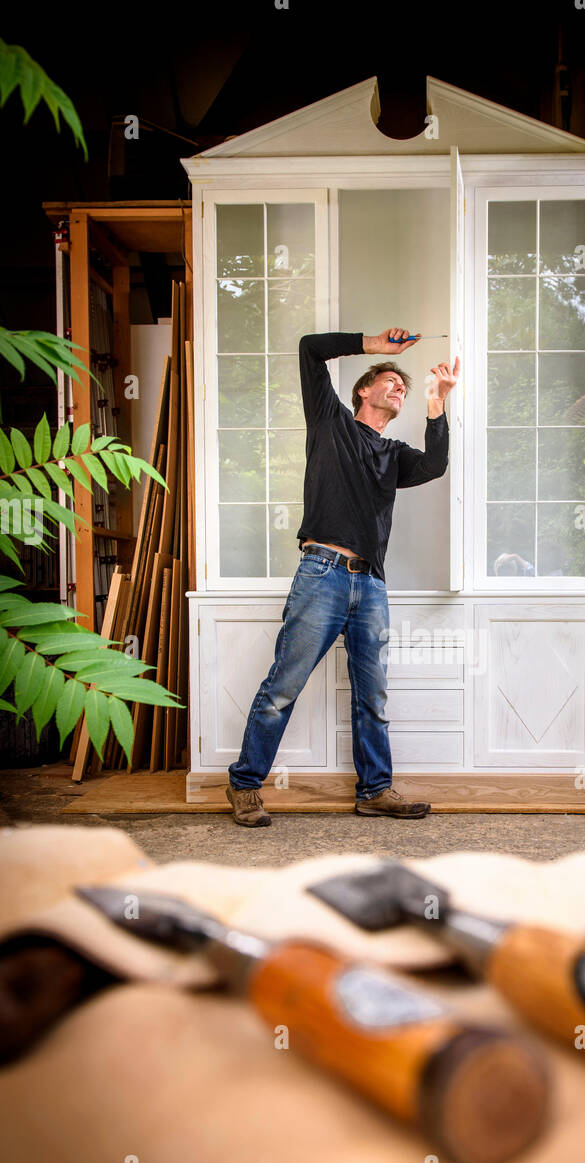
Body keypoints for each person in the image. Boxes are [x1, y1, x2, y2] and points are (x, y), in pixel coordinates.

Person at [226, 328, 460, 826]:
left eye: (404, 386)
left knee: (371, 695)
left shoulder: (394, 454)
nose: (399, 388)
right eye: (391, 381)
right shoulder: (330, 423)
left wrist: (437, 406)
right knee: (284, 687)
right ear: (364, 389)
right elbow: (309, 346)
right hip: (322, 574)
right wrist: (377, 345)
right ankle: (245, 785)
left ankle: (375, 790)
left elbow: (436, 465)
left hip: (371, 584)